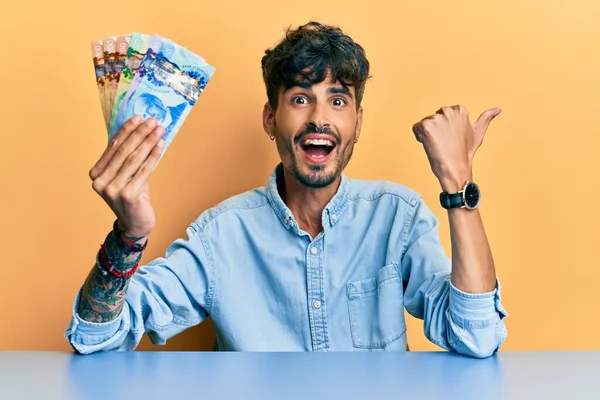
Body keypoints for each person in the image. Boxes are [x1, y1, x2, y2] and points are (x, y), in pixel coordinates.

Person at [65, 21, 508, 357]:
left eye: (338, 100)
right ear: (269, 119)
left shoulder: (398, 218)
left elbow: (478, 335)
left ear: (358, 121)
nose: (319, 117)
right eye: (300, 98)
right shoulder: (220, 236)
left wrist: (457, 185)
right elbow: (94, 338)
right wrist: (129, 234)